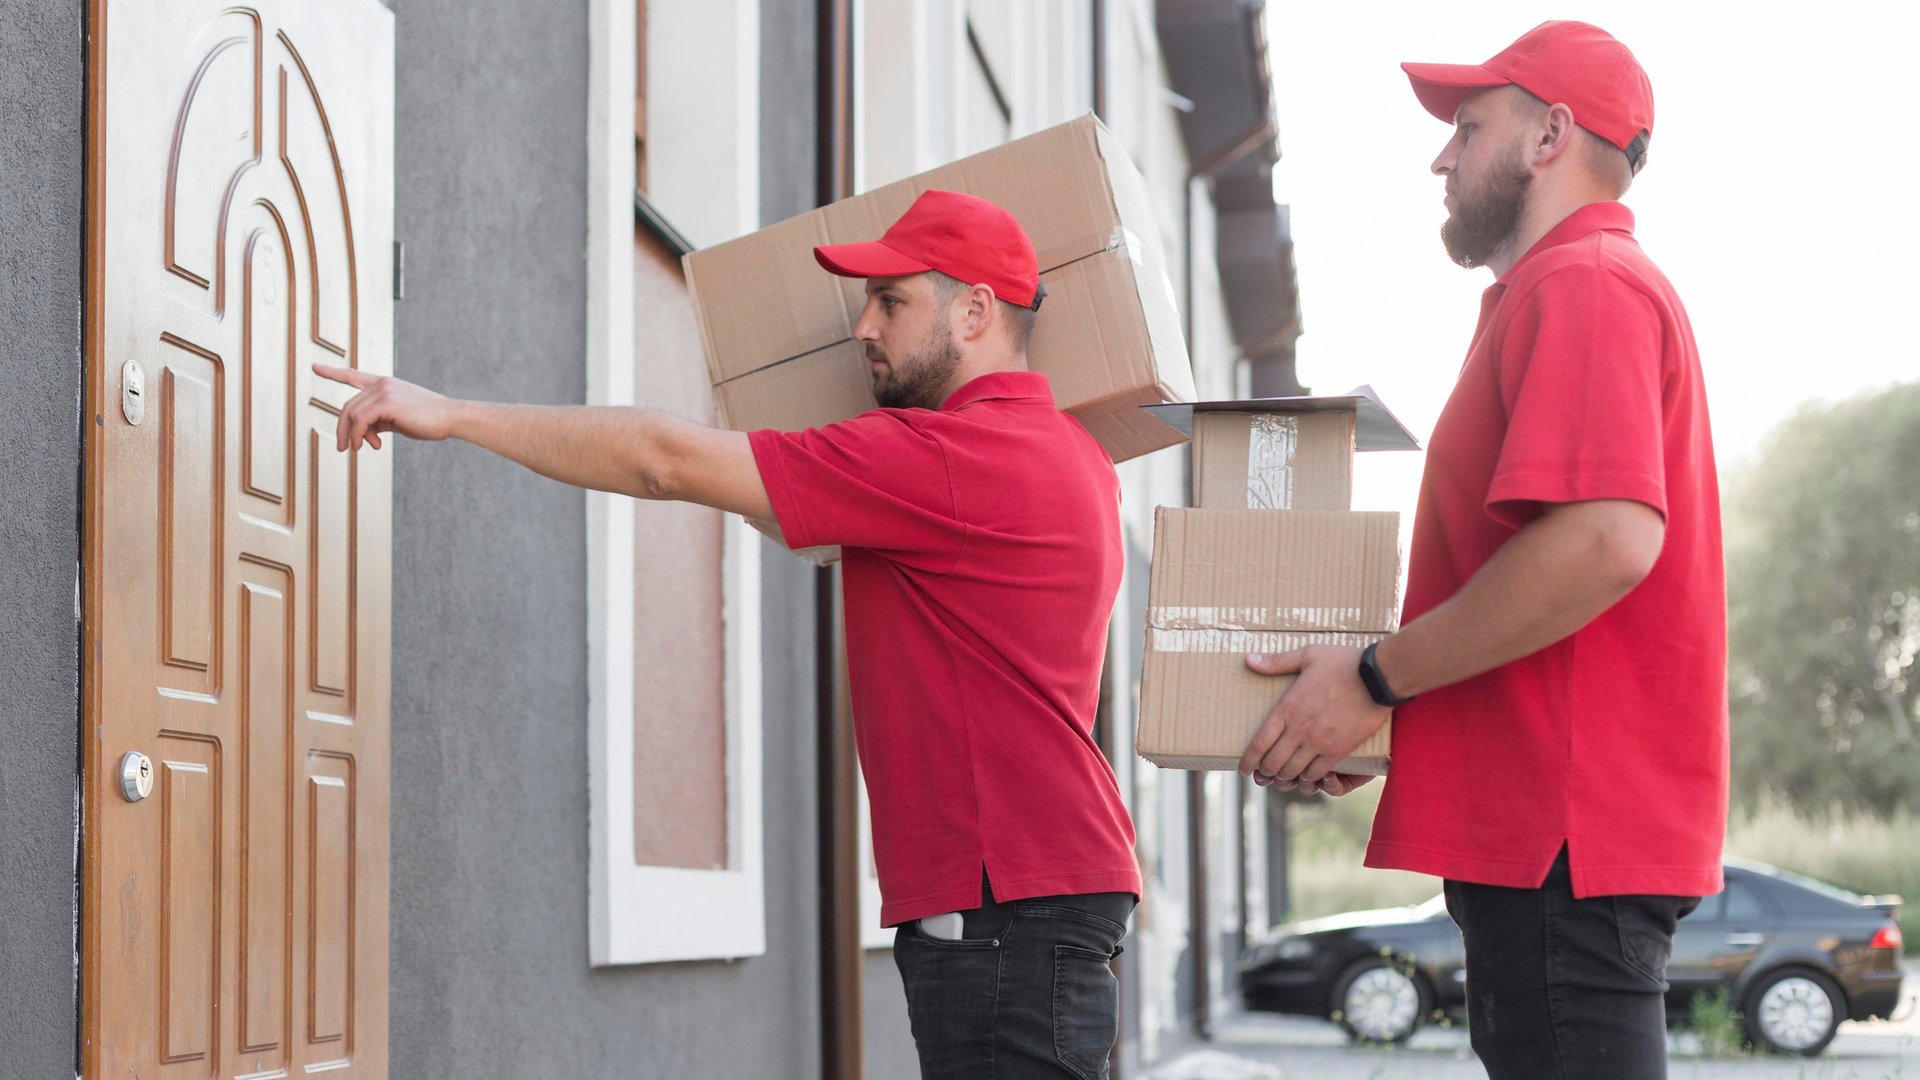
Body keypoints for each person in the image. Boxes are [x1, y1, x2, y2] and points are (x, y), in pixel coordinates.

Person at [318, 188, 1140, 1079]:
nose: (864, 326)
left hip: (1001, 909)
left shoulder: (945, 458)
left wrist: (455, 413)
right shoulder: (1075, 456)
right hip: (1041, 892)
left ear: (976, 309)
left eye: (892, 301)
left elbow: (662, 461)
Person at [1233, 22, 1725, 1080]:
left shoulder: (1583, 283)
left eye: (1467, 127)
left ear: (1550, 135)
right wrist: (1372, 700)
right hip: (1548, 839)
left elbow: (1604, 541)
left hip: (1561, 841)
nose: (1441, 157)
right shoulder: (1558, 293)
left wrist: (1372, 678)